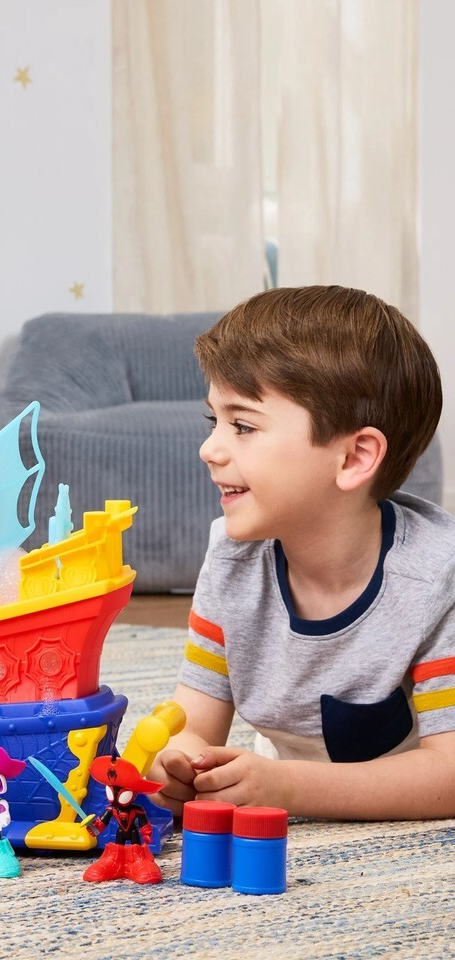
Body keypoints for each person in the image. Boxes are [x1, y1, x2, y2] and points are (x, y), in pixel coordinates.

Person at [149, 286, 455, 821]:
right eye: (213, 422)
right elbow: (192, 723)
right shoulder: (232, 558)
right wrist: (176, 764)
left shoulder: (435, 578)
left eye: (243, 426)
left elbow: (448, 775)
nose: (209, 449)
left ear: (354, 457)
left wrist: (286, 787)